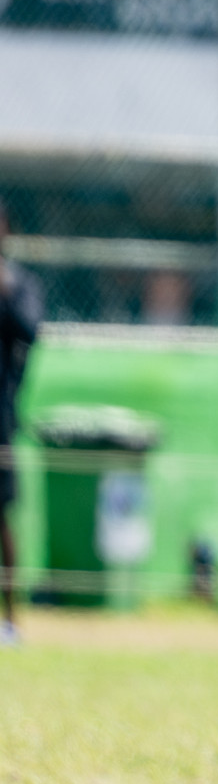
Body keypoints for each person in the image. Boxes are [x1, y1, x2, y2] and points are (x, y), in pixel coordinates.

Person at [0, 201, 42, 646]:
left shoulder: (20, 284)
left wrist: (5, 291)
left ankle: (10, 619)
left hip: (1, 414)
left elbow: (30, 330)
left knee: (2, 516)